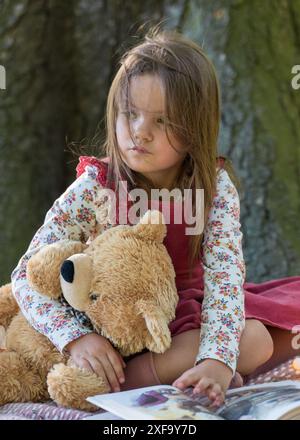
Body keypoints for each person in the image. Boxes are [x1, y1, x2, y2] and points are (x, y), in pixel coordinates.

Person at [11, 27, 300, 408]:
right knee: (252, 344)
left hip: (185, 319)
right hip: (114, 324)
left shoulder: (213, 187)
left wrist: (216, 360)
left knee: (257, 339)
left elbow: (225, 278)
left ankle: (194, 372)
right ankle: (120, 380)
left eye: (162, 121)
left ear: (195, 126)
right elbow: (26, 275)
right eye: (130, 113)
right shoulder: (95, 186)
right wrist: (78, 338)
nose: (139, 132)